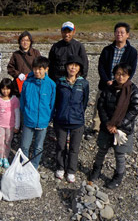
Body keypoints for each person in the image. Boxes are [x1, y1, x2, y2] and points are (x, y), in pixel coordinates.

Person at [89, 63, 138, 189]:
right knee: (101, 150)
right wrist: (107, 123)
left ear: (128, 75)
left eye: (123, 74)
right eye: (118, 74)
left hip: (123, 129)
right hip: (107, 127)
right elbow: (101, 106)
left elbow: (134, 110)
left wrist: (118, 126)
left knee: (119, 154)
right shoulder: (109, 89)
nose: (120, 77)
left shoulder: (133, 90)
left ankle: (118, 176)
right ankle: (96, 170)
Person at [92, 22, 137, 133]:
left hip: (122, 84)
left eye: (122, 32)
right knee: (100, 105)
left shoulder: (132, 52)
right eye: (117, 32)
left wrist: (122, 82)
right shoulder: (107, 50)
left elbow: (132, 69)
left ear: (127, 35)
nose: (119, 34)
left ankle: (117, 125)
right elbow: (101, 66)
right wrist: (107, 80)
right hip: (106, 83)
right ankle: (95, 128)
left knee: (120, 105)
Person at [53, 55, 89, 183]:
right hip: (61, 120)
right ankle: (60, 167)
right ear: (66, 67)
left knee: (74, 148)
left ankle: (71, 170)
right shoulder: (60, 82)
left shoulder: (83, 83)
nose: (73, 68)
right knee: (60, 146)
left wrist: (78, 113)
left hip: (77, 121)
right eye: (70, 65)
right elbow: (56, 101)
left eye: (76, 65)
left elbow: (84, 102)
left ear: (79, 68)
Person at [20, 56, 56, 169]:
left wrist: (48, 118)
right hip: (28, 120)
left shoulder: (51, 84)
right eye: (35, 69)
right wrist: (25, 113)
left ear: (46, 69)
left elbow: (52, 103)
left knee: (38, 147)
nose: (37, 71)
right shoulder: (27, 83)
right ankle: (23, 166)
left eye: (40, 69)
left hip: (43, 121)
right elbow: (22, 102)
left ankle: (34, 167)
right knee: (25, 146)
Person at [0, 78, 20, 168]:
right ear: (0, 89)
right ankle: (0, 157)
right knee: (0, 142)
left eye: (7, 89)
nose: (5, 91)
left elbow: (17, 113)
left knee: (8, 142)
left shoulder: (14, 100)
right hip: (0, 124)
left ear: (11, 89)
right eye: (3, 89)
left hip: (10, 126)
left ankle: (6, 157)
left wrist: (17, 126)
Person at [7, 31, 41, 95]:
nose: (25, 42)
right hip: (19, 84)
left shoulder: (36, 53)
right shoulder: (16, 54)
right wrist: (18, 74)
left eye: (27, 40)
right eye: (23, 40)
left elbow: (41, 66)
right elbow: (10, 68)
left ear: (30, 42)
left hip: (33, 82)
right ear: (19, 42)